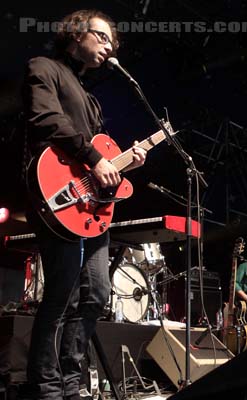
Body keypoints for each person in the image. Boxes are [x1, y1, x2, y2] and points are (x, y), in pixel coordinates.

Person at [22, 10, 147, 400]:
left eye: (112, 42)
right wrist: (95, 157)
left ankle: (72, 385)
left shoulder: (91, 99)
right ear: (77, 34)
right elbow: (45, 119)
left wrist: (124, 160)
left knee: (96, 294)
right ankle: (44, 387)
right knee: (62, 294)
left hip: (90, 208)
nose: (109, 47)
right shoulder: (43, 67)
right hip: (55, 196)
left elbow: (99, 155)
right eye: (103, 38)